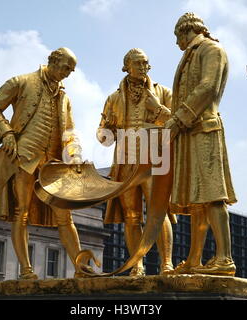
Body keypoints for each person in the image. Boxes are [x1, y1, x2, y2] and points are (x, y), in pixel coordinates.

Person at [0, 48, 86, 280]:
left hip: (54, 165)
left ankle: (81, 268)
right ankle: (26, 270)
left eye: (71, 70)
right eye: (66, 67)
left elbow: (69, 131)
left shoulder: (65, 97)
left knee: (65, 216)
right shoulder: (21, 81)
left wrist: (75, 154)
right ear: (53, 61)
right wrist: (6, 133)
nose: (68, 73)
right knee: (22, 213)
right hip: (24, 158)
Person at [164, 13, 238, 276]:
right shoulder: (190, 54)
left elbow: (207, 87)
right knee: (197, 199)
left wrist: (177, 119)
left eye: (177, 36)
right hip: (189, 133)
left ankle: (224, 258)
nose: (176, 43)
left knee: (213, 194)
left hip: (204, 129)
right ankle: (195, 260)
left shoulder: (211, 49)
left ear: (186, 31)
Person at [98, 48, 175, 276]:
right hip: (125, 161)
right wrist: (106, 131)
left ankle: (167, 263)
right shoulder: (113, 98)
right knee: (131, 216)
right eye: (139, 63)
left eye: (146, 63)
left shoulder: (162, 92)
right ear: (127, 66)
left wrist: (157, 109)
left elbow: (177, 121)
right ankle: (136, 265)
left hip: (154, 160)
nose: (144, 67)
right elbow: (102, 135)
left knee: (158, 211)